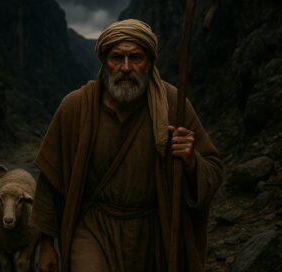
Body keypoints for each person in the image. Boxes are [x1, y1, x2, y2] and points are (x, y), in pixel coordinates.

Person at [30, 19, 222, 272]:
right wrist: (46, 244)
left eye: (136, 58)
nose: (126, 67)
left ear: (150, 62)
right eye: (117, 58)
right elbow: (51, 180)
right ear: (104, 61)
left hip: (152, 231)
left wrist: (190, 161)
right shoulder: (75, 107)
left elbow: (213, 169)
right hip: (92, 227)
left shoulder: (173, 104)